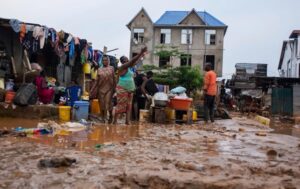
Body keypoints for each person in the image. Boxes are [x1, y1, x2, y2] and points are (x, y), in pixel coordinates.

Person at [113, 47, 147, 125]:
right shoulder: (122, 67)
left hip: (130, 90)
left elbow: (135, 62)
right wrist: (140, 53)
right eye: (124, 60)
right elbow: (133, 61)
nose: (126, 61)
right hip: (122, 89)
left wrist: (142, 55)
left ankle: (127, 121)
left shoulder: (130, 68)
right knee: (120, 105)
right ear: (122, 62)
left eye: (127, 59)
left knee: (129, 106)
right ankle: (114, 121)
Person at [90, 55, 115, 123]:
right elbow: (96, 81)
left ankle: (105, 117)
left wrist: (115, 89)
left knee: (107, 103)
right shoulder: (99, 69)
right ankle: (103, 116)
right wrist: (92, 89)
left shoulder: (111, 68)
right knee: (102, 105)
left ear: (108, 61)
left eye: (106, 60)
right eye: (103, 60)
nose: (105, 61)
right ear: (102, 61)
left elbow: (114, 79)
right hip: (101, 89)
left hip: (109, 88)